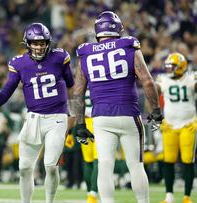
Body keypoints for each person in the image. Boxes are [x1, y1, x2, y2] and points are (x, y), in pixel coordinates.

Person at [72, 11, 163, 203]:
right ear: (117, 29)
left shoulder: (86, 52)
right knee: (136, 165)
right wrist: (156, 110)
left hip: (101, 117)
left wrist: (80, 123)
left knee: (105, 166)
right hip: (128, 113)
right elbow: (147, 82)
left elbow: (78, 92)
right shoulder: (128, 45)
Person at [0, 22, 75, 203]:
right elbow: (8, 89)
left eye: (42, 43)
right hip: (33, 118)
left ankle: (49, 201)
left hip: (57, 118)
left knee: (51, 166)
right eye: (35, 43)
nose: (39, 47)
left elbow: (72, 86)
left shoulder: (59, 57)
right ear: (27, 44)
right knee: (24, 167)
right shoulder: (19, 63)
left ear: (48, 43)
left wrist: (74, 114)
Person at [156, 52, 195, 203]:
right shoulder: (163, 79)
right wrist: (157, 114)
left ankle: (187, 197)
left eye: (171, 66)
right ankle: (169, 196)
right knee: (169, 160)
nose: (168, 69)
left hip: (188, 125)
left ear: (180, 66)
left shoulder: (191, 78)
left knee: (187, 161)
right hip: (169, 126)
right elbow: (153, 92)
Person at [80, 89, 98, 203]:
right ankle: (92, 194)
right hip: (98, 121)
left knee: (88, 161)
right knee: (98, 161)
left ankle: (89, 194)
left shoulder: (81, 84)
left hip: (84, 123)